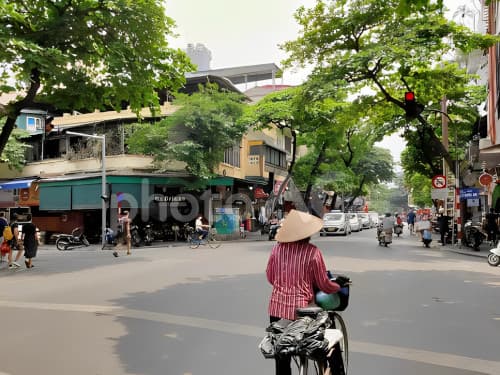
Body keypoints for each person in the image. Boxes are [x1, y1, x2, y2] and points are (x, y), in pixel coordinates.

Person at [266, 209, 341, 375]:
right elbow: (323, 284)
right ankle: (332, 370)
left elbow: (270, 277)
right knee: (327, 339)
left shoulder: (276, 250)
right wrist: (338, 287)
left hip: (277, 310)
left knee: (282, 355)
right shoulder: (313, 252)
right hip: (303, 312)